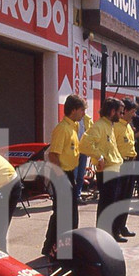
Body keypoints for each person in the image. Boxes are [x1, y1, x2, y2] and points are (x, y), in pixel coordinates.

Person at [41, 94, 85, 257]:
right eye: (81, 110)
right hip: (62, 174)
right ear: (73, 110)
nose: (83, 113)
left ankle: (56, 246)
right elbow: (53, 155)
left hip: (69, 174)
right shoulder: (62, 129)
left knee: (68, 213)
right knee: (62, 214)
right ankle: (53, 247)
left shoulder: (73, 127)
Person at [79, 97, 127, 241]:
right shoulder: (99, 126)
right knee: (106, 205)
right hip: (107, 171)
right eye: (120, 112)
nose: (122, 115)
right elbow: (84, 145)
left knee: (112, 204)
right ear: (112, 111)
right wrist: (99, 157)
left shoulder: (109, 126)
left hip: (114, 168)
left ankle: (110, 234)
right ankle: (103, 236)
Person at [114, 98, 139, 238]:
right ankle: (115, 229)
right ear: (126, 111)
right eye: (133, 112)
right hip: (121, 164)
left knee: (126, 198)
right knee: (119, 198)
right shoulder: (116, 127)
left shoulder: (129, 126)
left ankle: (122, 225)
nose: (134, 115)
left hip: (131, 163)